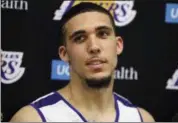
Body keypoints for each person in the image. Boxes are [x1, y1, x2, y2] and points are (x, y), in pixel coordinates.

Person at [10, 2, 155, 122]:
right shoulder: (33, 118)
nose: (94, 47)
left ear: (118, 45)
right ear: (64, 54)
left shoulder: (141, 119)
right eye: (79, 38)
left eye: (103, 34)